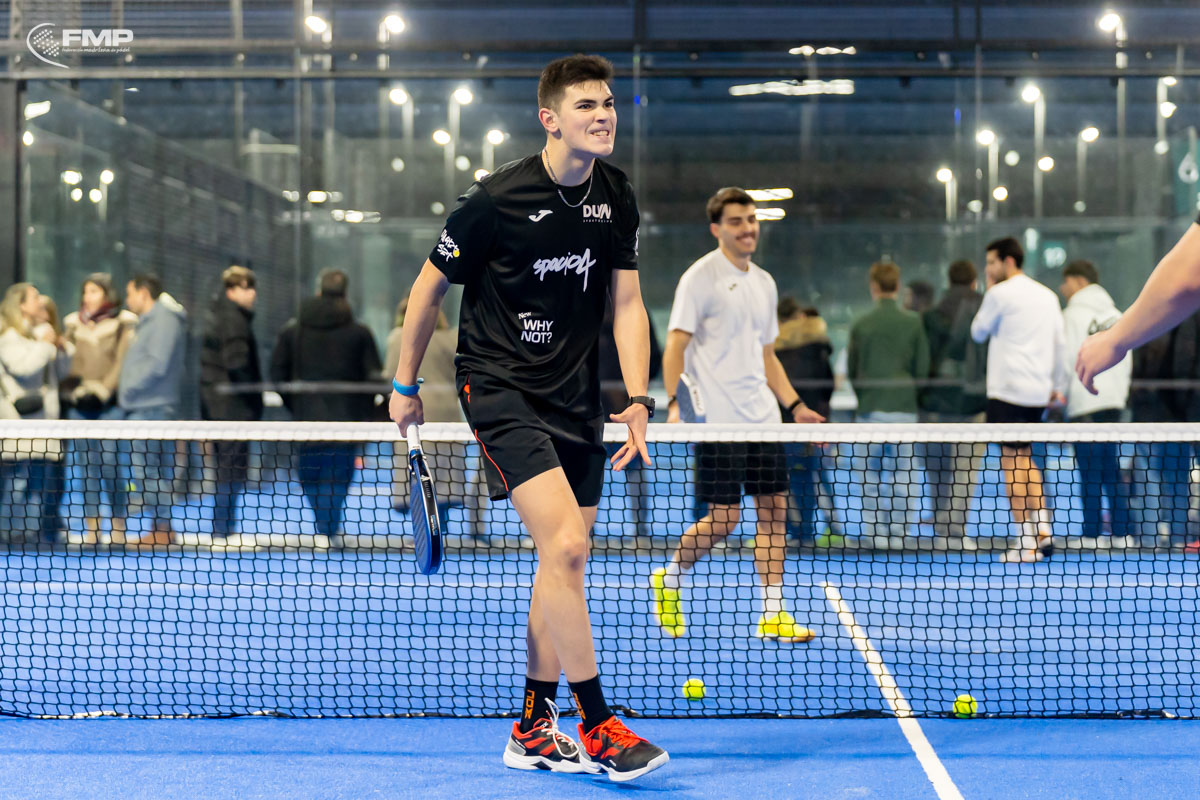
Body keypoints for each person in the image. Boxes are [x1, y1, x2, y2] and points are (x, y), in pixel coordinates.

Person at [389, 55, 668, 781]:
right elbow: (426, 292)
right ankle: (598, 724)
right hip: (498, 385)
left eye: (608, 104)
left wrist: (639, 399)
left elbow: (628, 303)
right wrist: (404, 383)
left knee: (562, 557)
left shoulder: (616, 194)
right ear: (550, 119)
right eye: (586, 106)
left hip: (576, 396)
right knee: (568, 545)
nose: (603, 116)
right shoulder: (493, 200)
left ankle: (533, 727)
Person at [653, 186, 825, 646]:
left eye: (751, 220)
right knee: (725, 519)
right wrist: (675, 403)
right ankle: (670, 578)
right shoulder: (699, 278)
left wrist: (795, 407)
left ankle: (772, 612)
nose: (747, 229)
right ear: (716, 229)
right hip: (718, 421)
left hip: (764, 418)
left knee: (774, 512)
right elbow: (675, 345)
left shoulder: (765, 283)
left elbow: (767, 356)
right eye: (736, 221)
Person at [1074, 217, 1200, 553]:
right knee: (1152, 476)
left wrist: (1114, 341)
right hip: (1158, 414)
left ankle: (1171, 538)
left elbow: (1186, 281)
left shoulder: (1172, 314)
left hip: (1177, 415)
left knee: (1164, 477)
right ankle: (1155, 539)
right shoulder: (1145, 318)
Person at [970, 237, 1068, 563]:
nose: (988, 269)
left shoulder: (998, 294)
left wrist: (989, 290)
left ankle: (1026, 543)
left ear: (1008, 261)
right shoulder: (1048, 296)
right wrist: (1057, 386)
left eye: (991, 263)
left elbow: (977, 332)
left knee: (1011, 462)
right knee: (1026, 457)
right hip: (1037, 393)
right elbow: (1060, 343)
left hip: (1007, 391)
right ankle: (1042, 531)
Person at [271, 268, 381, 549]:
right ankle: (328, 529)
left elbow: (277, 374)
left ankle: (325, 529)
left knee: (311, 476)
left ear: (319, 291)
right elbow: (373, 378)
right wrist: (363, 412)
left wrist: (296, 405)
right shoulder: (360, 334)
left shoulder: (292, 332)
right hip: (345, 426)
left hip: (307, 423)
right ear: (345, 294)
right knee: (336, 479)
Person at [847, 261, 930, 544]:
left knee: (868, 476)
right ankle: (899, 533)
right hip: (904, 411)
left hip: (869, 411)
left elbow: (852, 370)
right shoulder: (913, 322)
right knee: (904, 475)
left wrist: (866, 397)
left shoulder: (861, 323)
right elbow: (922, 369)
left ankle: (875, 534)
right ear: (898, 286)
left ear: (873, 287)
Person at [1058, 260, 1132, 545]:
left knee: (1089, 471)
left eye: (1065, 282)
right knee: (1111, 469)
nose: (1062, 288)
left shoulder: (1071, 316)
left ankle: (1091, 534)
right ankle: (1122, 534)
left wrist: (1061, 396)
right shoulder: (1117, 314)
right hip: (1113, 404)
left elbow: (1067, 359)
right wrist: (1119, 395)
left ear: (1078, 281)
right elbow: (1126, 357)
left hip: (1084, 404)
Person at [61, 273, 138, 545]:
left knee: (112, 467)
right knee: (87, 471)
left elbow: (121, 362)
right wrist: (76, 393)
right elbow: (68, 365)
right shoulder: (72, 325)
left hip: (110, 407)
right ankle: (92, 530)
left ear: (106, 294)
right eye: (86, 291)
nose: (88, 296)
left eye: (94, 291)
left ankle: (118, 529)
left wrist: (103, 392)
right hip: (80, 407)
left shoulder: (122, 324)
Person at [920, 259, 988, 541]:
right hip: (974, 403)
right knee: (965, 469)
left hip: (935, 404)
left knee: (937, 466)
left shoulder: (930, 316)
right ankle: (955, 528)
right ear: (974, 282)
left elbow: (924, 360)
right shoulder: (985, 310)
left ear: (948, 281)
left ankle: (940, 521)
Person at [119, 273, 188, 547]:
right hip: (146, 407)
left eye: (130, 294)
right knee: (150, 472)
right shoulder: (151, 320)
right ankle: (160, 527)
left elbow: (158, 364)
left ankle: (162, 528)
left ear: (143, 293)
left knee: (148, 473)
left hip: (152, 409)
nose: (127, 300)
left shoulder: (164, 319)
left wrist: (128, 387)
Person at [0, 283, 71, 543]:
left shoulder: (39, 335)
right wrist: (44, 345)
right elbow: (24, 368)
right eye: (34, 297)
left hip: (45, 425)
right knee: (17, 483)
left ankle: (31, 537)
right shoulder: (8, 337)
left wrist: (60, 348)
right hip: (18, 426)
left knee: (39, 486)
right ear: (20, 304)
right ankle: (9, 536)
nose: (40, 301)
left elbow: (61, 373)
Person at [200, 265, 263, 544]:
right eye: (245, 288)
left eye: (252, 287)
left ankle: (223, 528)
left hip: (222, 408)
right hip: (231, 410)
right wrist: (251, 395)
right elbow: (237, 363)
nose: (252, 294)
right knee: (230, 470)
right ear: (231, 291)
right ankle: (222, 531)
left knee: (228, 469)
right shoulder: (232, 319)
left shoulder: (225, 315)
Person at [774, 299, 842, 544]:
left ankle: (800, 533)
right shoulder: (819, 348)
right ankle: (825, 531)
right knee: (813, 478)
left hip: (786, 428)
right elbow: (828, 388)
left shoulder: (775, 351)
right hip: (812, 426)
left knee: (793, 480)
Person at [598, 297, 662, 541]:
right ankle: (640, 532)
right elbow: (652, 357)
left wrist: (637, 395)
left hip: (622, 407)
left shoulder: (633, 313)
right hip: (603, 406)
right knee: (630, 467)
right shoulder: (634, 314)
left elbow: (652, 356)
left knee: (592, 467)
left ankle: (587, 530)